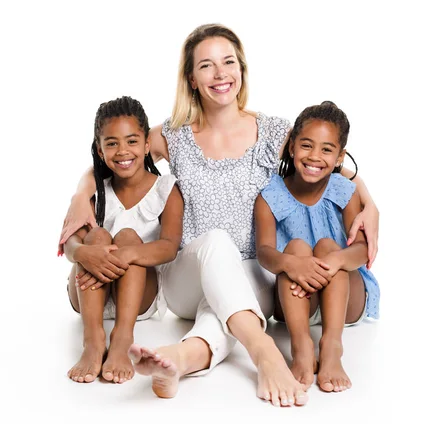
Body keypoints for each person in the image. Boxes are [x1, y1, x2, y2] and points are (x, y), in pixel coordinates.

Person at [58, 24, 379, 407]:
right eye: (206, 66)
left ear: (241, 70)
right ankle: (264, 353)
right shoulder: (174, 134)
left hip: (254, 274)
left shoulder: (274, 132)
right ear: (192, 78)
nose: (220, 73)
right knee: (217, 244)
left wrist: (371, 205)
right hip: (187, 275)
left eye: (228, 62)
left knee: (226, 306)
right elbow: (121, 156)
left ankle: (177, 360)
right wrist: (81, 193)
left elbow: (327, 164)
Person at [254, 101, 380, 393]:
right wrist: (291, 264)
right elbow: (264, 252)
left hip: (345, 297)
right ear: (292, 147)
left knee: (326, 246)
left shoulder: (344, 190)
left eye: (326, 149)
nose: (314, 156)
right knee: (296, 248)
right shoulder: (271, 195)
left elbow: (362, 249)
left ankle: (332, 347)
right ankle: (301, 347)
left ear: (339, 157)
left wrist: (334, 261)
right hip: (298, 299)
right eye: (307, 146)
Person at [63, 96, 184, 385]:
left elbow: (169, 247)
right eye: (112, 143)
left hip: (138, 299)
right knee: (97, 236)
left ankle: (121, 338)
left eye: (131, 141)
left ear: (146, 145)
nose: (122, 151)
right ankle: (93, 341)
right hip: (89, 295)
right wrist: (84, 254)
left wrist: (127, 255)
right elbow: (70, 241)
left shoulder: (166, 189)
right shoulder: (96, 192)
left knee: (129, 237)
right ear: (99, 150)